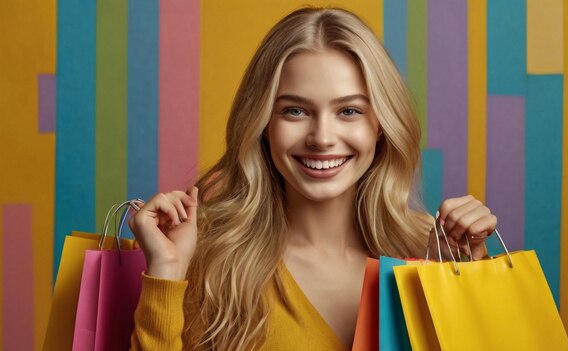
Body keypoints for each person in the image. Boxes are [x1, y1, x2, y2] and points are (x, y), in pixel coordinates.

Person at [129, 7, 497, 351]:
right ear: (263, 126)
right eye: (295, 110)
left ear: (381, 126)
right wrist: (168, 273)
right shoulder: (205, 257)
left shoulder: (431, 247)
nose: (322, 137)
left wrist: (462, 283)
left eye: (349, 110)